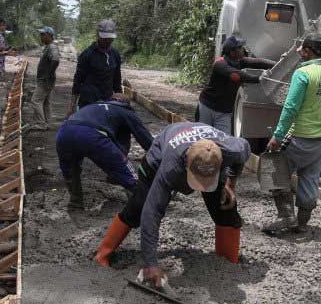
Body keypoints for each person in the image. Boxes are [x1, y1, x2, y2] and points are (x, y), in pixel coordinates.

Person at [94, 122, 251, 288]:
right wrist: (151, 264)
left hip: (204, 153)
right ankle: (103, 254)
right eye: (197, 180)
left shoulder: (233, 149)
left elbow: (245, 149)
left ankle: (226, 264)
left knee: (225, 207)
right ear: (186, 167)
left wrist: (230, 183)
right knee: (138, 208)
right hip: (161, 155)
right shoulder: (171, 167)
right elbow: (152, 211)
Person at [263, 36, 321, 234]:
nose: (299, 52)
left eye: (301, 49)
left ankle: (285, 216)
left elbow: (291, 108)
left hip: (298, 136)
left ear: (309, 51)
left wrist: (278, 135)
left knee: (274, 171)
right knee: (310, 177)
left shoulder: (303, 74)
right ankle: (301, 223)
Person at [56, 98, 154, 210]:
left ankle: (76, 202)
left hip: (63, 133)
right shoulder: (125, 110)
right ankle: (143, 203)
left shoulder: (95, 106)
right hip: (91, 135)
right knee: (126, 170)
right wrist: (160, 156)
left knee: (71, 170)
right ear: (126, 105)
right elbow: (145, 138)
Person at [198, 36, 275, 133]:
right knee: (203, 137)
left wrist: (279, 63)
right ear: (232, 52)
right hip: (207, 107)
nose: (243, 49)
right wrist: (259, 78)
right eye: (240, 47)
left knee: (224, 141)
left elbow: (259, 62)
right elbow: (239, 76)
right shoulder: (220, 64)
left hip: (224, 111)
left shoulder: (239, 61)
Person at [69, 19, 126, 115]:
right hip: (89, 102)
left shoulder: (115, 55)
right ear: (98, 35)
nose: (108, 41)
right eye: (105, 38)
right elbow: (78, 80)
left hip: (108, 101)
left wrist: (120, 101)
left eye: (110, 38)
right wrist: (72, 105)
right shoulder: (87, 54)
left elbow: (117, 79)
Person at [30, 26, 61, 129]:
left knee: (35, 100)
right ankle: (47, 122)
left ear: (50, 36)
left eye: (43, 35)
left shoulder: (52, 47)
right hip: (46, 79)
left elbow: (55, 60)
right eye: (41, 35)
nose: (41, 37)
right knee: (46, 102)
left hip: (45, 80)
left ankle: (40, 123)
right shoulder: (48, 47)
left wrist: (49, 74)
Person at [0, 17, 12, 82]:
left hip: (0, 64)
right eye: (1, 25)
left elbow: (2, 49)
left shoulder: (1, 36)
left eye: (4, 25)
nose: (3, 27)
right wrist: (6, 53)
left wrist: (8, 49)